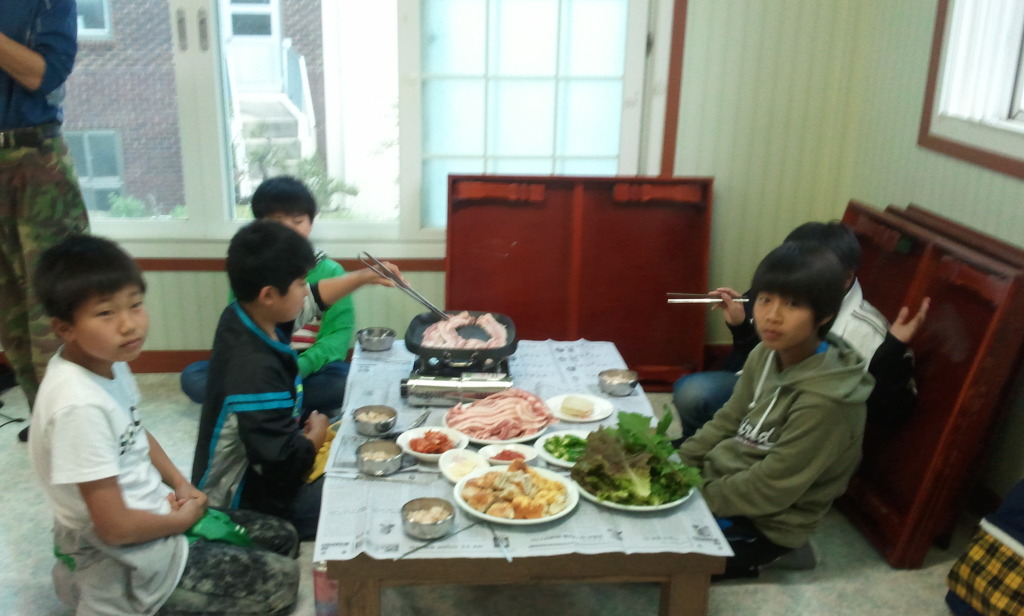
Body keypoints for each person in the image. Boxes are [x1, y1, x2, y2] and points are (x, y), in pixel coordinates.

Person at [28, 234, 300, 615]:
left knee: (283, 537)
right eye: (105, 313)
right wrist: (180, 522)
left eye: (135, 305)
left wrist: (180, 483)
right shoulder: (77, 407)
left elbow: (135, 431)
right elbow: (114, 528)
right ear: (64, 327)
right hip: (122, 557)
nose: (129, 325)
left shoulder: (107, 362)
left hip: (155, 515)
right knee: (282, 584)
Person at [676, 241, 874, 579]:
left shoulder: (827, 401)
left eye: (793, 304)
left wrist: (692, 496)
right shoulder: (765, 353)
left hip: (768, 521)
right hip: (728, 480)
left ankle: (784, 552)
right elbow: (727, 420)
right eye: (765, 299)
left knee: (655, 563)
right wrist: (680, 464)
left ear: (825, 315)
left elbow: (772, 487)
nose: (772, 316)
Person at [191, 220, 400, 540]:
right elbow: (284, 469)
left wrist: (364, 276)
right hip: (245, 499)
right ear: (268, 295)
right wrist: (315, 437)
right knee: (368, 487)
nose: (306, 290)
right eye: (301, 282)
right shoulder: (255, 371)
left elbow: (314, 299)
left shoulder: (247, 314)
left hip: (272, 459)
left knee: (362, 427)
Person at [672, 221, 929, 439]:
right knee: (692, 394)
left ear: (846, 278)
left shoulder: (865, 331)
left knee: (699, 395)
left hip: (803, 417)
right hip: (767, 389)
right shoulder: (791, 293)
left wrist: (892, 352)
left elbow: (879, 411)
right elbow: (764, 358)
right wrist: (740, 325)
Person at [181, 176, 357, 417]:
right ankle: (285, 400)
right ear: (259, 226)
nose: (289, 231)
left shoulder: (331, 271)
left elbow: (337, 338)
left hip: (309, 368)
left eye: (298, 221)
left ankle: (263, 401)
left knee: (343, 380)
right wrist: (265, 369)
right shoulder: (249, 270)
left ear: (311, 222)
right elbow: (242, 330)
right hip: (260, 365)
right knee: (193, 376)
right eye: (277, 223)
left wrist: (296, 367)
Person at [1, 0, 90, 442]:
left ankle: (80, 427)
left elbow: (43, 74)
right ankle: (48, 424)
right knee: (10, 314)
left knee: (58, 305)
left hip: (34, 159)